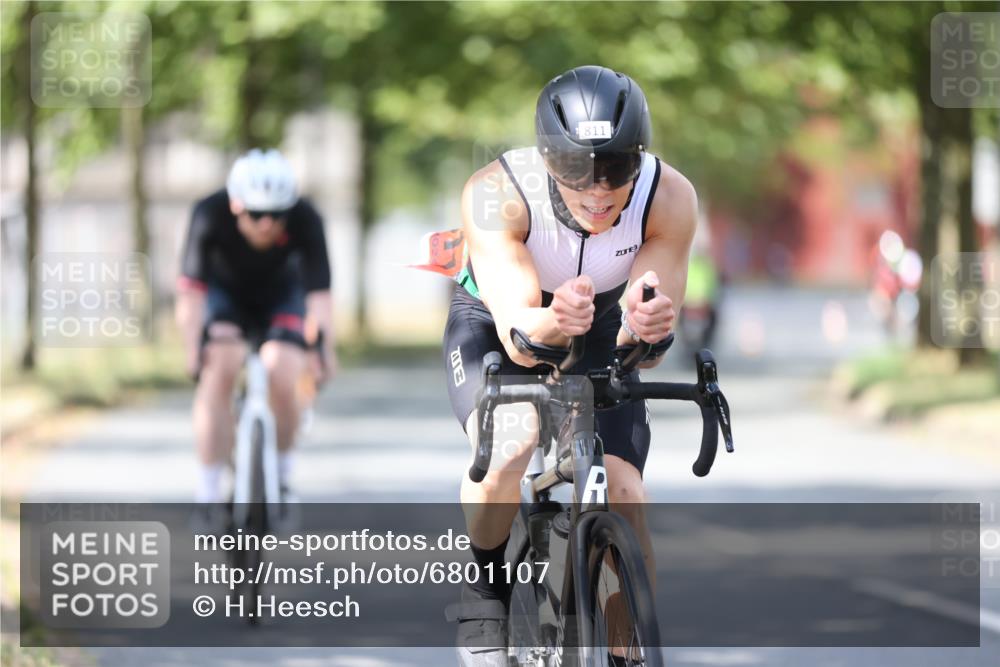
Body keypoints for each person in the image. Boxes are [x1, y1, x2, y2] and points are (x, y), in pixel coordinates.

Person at [442, 66, 698, 665]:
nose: (598, 188)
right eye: (577, 169)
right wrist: (553, 322)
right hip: (499, 315)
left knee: (626, 489)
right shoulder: (495, 193)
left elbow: (651, 308)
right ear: (545, 157)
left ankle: (622, 649)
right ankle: (486, 588)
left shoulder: (670, 196)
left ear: (639, 157)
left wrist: (647, 325)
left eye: (614, 168)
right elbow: (519, 325)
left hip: (600, 316)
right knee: (511, 440)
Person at [176, 148, 335, 516]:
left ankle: (281, 475)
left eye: (277, 214)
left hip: (282, 295)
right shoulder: (208, 213)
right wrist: (191, 349)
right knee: (221, 366)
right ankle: (208, 492)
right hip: (224, 296)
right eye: (257, 214)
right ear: (235, 205)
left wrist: (324, 352)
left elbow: (320, 295)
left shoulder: (307, 217)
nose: (267, 224)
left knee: (282, 368)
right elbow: (190, 292)